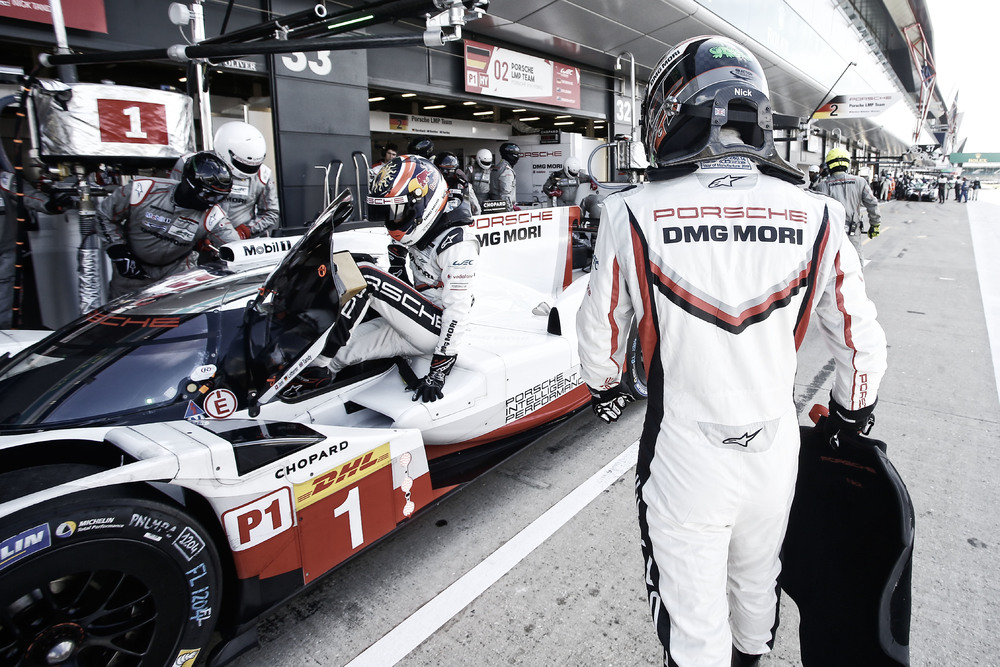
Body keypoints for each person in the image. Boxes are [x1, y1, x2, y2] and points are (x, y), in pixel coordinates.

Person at [575, 35, 888, 667]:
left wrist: (605, 388)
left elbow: (600, 338)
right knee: (757, 583)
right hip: (774, 451)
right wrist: (851, 415)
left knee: (692, 627)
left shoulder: (629, 212)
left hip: (682, 455)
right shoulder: (819, 214)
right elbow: (862, 345)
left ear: (672, 113)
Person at [310, 155, 479, 402]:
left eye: (398, 212)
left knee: (366, 275)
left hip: (436, 326)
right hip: (413, 320)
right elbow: (403, 277)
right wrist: (397, 262)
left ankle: (321, 361)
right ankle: (312, 385)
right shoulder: (421, 228)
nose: (393, 220)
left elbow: (457, 310)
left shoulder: (458, 243)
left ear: (424, 204)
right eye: (389, 212)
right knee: (337, 356)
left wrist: (439, 369)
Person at [99, 151, 240, 300]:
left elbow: (239, 248)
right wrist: (118, 251)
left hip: (176, 275)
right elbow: (105, 214)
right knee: (121, 312)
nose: (213, 202)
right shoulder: (142, 191)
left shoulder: (214, 215)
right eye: (208, 195)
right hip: (132, 273)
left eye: (220, 197)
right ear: (188, 184)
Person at [172, 121, 280, 238]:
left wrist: (245, 231)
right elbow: (171, 203)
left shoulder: (263, 175)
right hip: (193, 239)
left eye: (253, 165)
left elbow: (271, 213)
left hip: (237, 242)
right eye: (242, 164)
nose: (248, 169)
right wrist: (193, 234)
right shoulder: (189, 164)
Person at [0, 169, 73, 327]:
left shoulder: (4, 180)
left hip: (4, 260)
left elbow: (30, 196)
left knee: (5, 316)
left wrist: (51, 204)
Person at [812, 147, 881, 262]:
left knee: (828, 263)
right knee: (855, 262)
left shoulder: (821, 186)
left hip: (830, 233)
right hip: (852, 232)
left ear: (829, 165)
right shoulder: (860, 182)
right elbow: (872, 203)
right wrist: (875, 225)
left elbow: (815, 213)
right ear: (847, 164)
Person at [434, 151, 480, 216]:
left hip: (457, 217)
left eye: (450, 168)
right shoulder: (432, 183)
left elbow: (476, 208)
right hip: (437, 216)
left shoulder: (462, 183)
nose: (446, 173)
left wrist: (476, 217)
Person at [488, 141, 519, 211]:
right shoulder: (506, 170)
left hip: (494, 205)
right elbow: (505, 194)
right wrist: (510, 211)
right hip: (502, 208)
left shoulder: (497, 167)